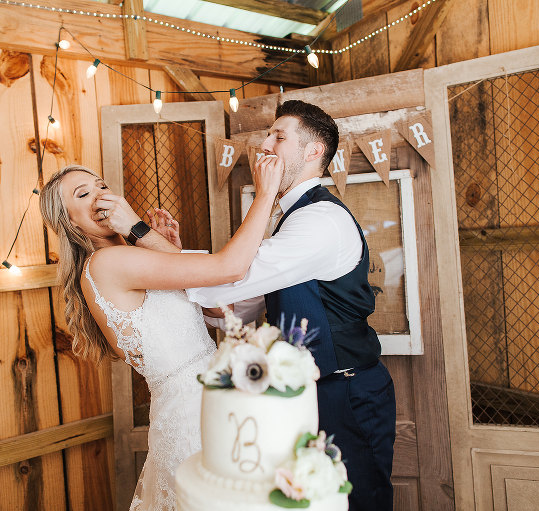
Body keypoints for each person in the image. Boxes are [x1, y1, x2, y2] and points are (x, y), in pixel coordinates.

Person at [187, 100, 397, 510]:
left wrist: (156, 263)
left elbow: (232, 279)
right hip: (304, 395)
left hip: (347, 393)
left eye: (278, 136)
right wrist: (211, 308)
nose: (264, 144)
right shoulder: (290, 217)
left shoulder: (319, 220)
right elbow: (245, 304)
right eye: (268, 134)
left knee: (359, 503)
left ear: (314, 152)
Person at [38, 160, 282, 511]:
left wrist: (165, 249)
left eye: (101, 185)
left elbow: (217, 308)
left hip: (214, 400)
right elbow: (229, 268)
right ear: (70, 222)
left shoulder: (127, 258)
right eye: (83, 193)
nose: (100, 195)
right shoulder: (107, 264)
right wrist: (266, 193)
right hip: (191, 416)